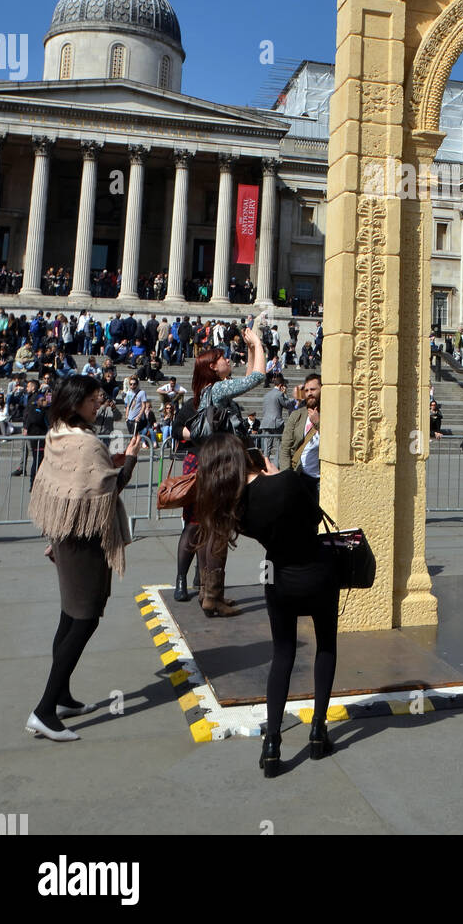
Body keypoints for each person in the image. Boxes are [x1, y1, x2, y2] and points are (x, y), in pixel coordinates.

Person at [194, 433, 340, 775]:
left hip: (278, 575)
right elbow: (313, 518)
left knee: (283, 654)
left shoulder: (233, 506)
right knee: (326, 645)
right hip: (317, 569)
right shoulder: (286, 482)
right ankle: (318, 730)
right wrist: (276, 474)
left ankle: (272, 742)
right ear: (245, 456)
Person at [26, 376, 142, 741]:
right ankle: (44, 710)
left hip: (65, 536)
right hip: (86, 542)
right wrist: (131, 461)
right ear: (76, 402)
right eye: (94, 399)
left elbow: (62, 487)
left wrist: (53, 534)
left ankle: (61, 697)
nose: (99, 404)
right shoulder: (88, 443)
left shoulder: (57, 433)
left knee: (69, 616)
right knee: (85, 620)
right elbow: (107, 492)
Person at [173, 327, 267, 609]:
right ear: (213, 367)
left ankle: (207, 592)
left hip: (210, 465)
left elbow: (248, 376)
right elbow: (258, 377)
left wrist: (251, 348)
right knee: (218, 530)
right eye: (223, 358)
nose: (229, 360)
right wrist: (259, 343)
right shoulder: (218, 388)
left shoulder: (210, 391)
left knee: (209, 528)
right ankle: (212, 596)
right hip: (223, 466)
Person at [279, 373, 321, 494]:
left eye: (313, 389)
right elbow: (285, 448)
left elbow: (334, 444)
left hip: (323, 479)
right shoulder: (297, 415)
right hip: (299, 475)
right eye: (306, 390)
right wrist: (286, 477)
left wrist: (318, 423)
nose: (309, 393)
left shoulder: (331, 414)